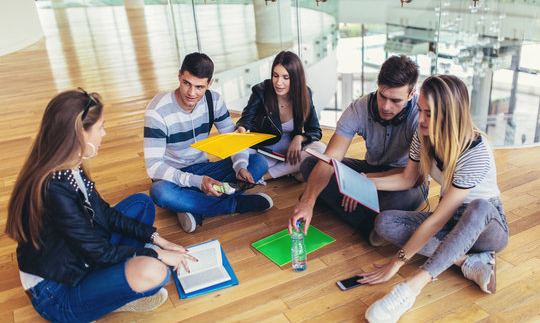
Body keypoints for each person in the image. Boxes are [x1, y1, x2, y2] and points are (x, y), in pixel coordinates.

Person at [5, 89, 196, 323]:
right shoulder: (53, 188)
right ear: (79, 135)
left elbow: (104, 212)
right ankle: (115, 293)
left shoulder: (69, 163)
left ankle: (118, 278)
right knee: (157, 272)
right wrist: (158, 254)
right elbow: (101, 253)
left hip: (77, 256)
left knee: (141, 203)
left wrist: (159, 240)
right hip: (56, 294)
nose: (104, 133)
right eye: (100, 127)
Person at [360, 75, 508, 323]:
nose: (420, 119)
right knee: (385, 222)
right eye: (420, 110)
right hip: (449, 218)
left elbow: (437, 219)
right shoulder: (423, 134)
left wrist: (398, 262)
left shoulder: (476, 151)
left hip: (486, 227)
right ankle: (467, 261)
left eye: (429, 114)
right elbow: (408, 178)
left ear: (449, 115)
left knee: (479, 206)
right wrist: (363, 181)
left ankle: (410, 289)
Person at [288, 55, 426, 238]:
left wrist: (363, 183)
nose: (385, 106)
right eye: (382, 96)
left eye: (395, 101)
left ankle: (340, 206)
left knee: (397, 200)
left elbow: (415, 177)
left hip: (404, 177)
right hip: (369, 169)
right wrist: (307, 201)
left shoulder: (421, 117)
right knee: (310, 165)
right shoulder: (358, 109)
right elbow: (330, 159)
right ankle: (367, 221)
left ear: (411, 95)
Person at [144, 52, 272, 233]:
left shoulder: (214, 100)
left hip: (204, 168)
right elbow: (154, 167)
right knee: (159, 192)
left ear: (209, 84)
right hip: (174, 175)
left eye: (199, 87)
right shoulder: (157, 111)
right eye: (186, 83)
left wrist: (240, 167)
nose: (191, 93)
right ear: (179, 75)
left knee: (258, 162)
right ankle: (233, 203)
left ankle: (191, 205)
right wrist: (197, 181)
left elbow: (234, 141)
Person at [235, 51, 326, 181]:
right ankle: (289, 170)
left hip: (291, 153)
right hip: (264, 152)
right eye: (275, 76)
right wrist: (242, 128)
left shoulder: (305, 94)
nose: (278, 83)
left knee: (321, 149)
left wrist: (299, 138)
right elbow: (246, 120)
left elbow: (315, 130)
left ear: (295, 78)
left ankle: (265, 176)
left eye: (285, 77)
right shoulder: (260, 91)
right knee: (242, 163)